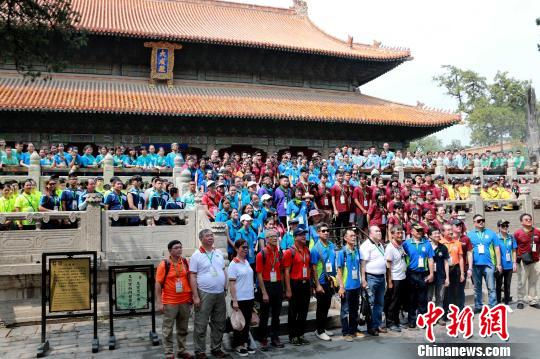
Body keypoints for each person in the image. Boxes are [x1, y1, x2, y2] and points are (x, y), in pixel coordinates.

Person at [189, 229, 229, 359]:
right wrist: (195, 296)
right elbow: (193, 276)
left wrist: (225, 286)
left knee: (219, 322)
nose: (211, 237)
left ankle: (216, 348)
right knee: (201, 323)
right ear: (201, 239)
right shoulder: (196, 255)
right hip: (204, 293)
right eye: (207, 236)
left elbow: (223, 270)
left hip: (220, 293)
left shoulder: (217, 252)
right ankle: (200, 351)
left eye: (212, 235)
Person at [156, 240, 193, 359]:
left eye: (180, 247)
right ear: (170, 251)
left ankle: (182, 350)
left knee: (183, 327)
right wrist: (159, 302)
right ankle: (169, 352)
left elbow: (189, 279)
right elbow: (158, 283)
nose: (179, 250)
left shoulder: (185, 262)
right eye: (176, 248)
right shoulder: (164, 264)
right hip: (169, 301)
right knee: (168, 328)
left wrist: (192, 297)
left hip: (185, 300)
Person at [255, 229, 285, 351]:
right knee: (264, 315)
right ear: (266, 239)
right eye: (272, 236)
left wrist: (282, 288)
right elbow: (259, 275)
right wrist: (264, 292)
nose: (275, 238)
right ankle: (263, 338)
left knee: (277, 314)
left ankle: (275, 337)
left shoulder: (279, 253)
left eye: (276, 236)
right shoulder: (261, 254)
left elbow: (281, 271)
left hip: (277, 285)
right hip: (266, 285)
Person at [466, 214, 502, 312]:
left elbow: (497, 248)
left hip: (489, 265)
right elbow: (467, 251)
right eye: (478, 221)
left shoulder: (491, 233)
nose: (481, 222)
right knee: (477, 287)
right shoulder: (469, 234)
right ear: (474, 223)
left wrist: (498, 264)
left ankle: (493, 306)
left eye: (483, 220)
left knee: (491, 287)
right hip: (475, 265)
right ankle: (478, 306)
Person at [283, 225, 311, 346]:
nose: (304, 236)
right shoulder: (290, 252)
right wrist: (288, 289)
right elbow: (286, 272)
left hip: (305, 284)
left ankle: (300, 334)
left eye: (304, 234)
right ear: (295, 237)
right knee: (293, 311)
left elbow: (309, 267)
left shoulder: (306, 250)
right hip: (295, 284)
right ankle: (293, 335)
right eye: (301, 234)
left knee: (304, 311)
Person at [403, 224, 434, 328]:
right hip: (411, 273)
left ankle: (422, 319)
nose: (420, 232)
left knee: (422, 298)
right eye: (417, 230)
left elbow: (430, 259)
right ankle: (411, 320)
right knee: (411, 297)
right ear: (412, 231)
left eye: (421, 230)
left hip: (423, 274)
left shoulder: (427, 243)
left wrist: (431, 273)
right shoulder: (406, 244)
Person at [228, 239, 255, 357]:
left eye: (246, 247)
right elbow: (232, 284)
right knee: (239, 324)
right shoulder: (233, 264)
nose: (245, 249)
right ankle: (238, 345)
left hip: (249, 297)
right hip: (239, 298)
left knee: (247, 323)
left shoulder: (246, 262)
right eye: (243, 247)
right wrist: (234, 300)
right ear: (236, 249)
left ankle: (244, 343)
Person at [310, 222, 336, 341]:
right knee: (321, 307)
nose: (326, 233)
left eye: (327, 230)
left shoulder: (331, 245)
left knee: (327, 306)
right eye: (323, 231)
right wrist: (317, 285)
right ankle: (319, 331)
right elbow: (314, 268)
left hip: (331, 280)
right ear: (318, 233)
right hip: (321, 281)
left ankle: (322, 328)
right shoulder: (315, 248)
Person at [337, 229, 363, 341]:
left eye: (354, 235)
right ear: (345, 238)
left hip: (356, 286)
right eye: (351, 236)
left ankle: (353, 330)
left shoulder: (357, 250)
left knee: (354, 309)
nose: (354, 237)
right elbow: (339, 271)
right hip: (346, 287)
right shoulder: (342, 252)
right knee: (345, 311)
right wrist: (341, 287)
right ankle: (345, 332)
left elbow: (359, 267)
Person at [360, 225, 387, 336]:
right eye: (377, 231)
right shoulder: (366, 245)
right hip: (371, 277)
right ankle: (371, 327)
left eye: (380, 231)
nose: (380, 233)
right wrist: (363, 279)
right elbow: (363, 264)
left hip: (381, 277)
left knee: (379, 303)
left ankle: (377, 324)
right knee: (370, 303)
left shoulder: (380, 244)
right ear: (370, 233)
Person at [513, 213, 540, 309]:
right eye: (526, 219)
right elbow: (514, 248)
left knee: (533, 281)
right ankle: (520, 300)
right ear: (521, 222)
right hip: (523, 261)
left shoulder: (537, 232)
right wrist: (515, 262)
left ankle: (532, 299)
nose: (529, 221)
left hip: (536, 260)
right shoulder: (517, 233)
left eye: (530, 219)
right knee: (522, 282)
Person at [384, 225, 407, 332]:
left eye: (401, 233)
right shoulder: (390, 247)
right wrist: (389, 281)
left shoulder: (400, 245)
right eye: (397, 233)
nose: (400, 235)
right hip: (395, 278)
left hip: (402, 277)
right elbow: (388, 266)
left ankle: (396, 321)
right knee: (393, 301)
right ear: (392, 234)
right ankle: (390, 322)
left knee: (399, 301)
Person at [440, 223, 465, 317]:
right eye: (448, 230)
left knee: (456, 291)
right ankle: (445, 311)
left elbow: (461, 258)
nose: (451, 232)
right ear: (442, 232)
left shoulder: (457, 243)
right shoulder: (440, 243)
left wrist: (462, 273)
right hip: (444, 269)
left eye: (451, 229)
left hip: (455, 269)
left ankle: (455, 311)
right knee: (445, 292)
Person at [426, 227, 449, 324]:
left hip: (440, 276)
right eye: (434, 233)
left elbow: (446, 263)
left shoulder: (443, 247)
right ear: (430, 236)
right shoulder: (426, 246)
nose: (437, 235)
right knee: (428, 296)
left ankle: (439, 317)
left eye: (438, 233)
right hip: (429, 275)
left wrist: (447, 277)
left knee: (440, 297)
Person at [495, 219, 517, 305]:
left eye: (506, 225)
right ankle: (498, 302)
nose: (505, 227)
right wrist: (497, 264)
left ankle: (507, 302)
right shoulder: (496, 237)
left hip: (509, 265)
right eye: (502, 226)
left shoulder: (511, 237)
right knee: (499, 285)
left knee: (507, 285)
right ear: (499, 227)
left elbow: (514, 250)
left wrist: (514, 263)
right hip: (500, 265)